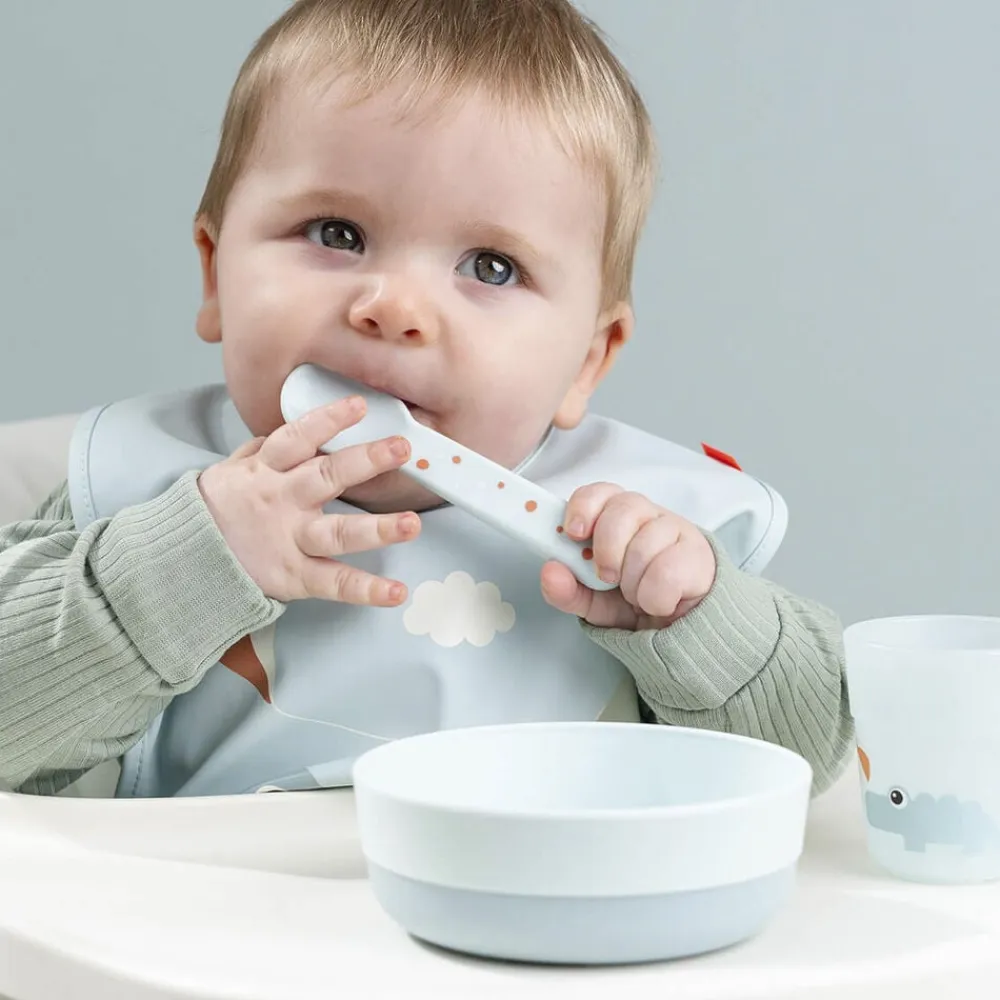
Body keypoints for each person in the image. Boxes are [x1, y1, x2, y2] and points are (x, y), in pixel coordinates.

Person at [0, 0, 851, 798]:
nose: (394, 307)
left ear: (587, 360)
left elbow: (811, 764)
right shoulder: (137, 482)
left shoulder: (639, 533)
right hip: (211, 907)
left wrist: (693, 621)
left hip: (523, 903)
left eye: (491, 267)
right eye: (337, 233)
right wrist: (182, 569)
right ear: (216, 271)